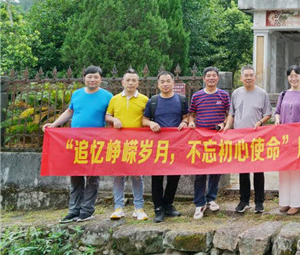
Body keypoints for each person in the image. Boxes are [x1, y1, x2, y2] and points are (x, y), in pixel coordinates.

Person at [42, 66, 113, 223]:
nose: (92, 80)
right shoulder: (77, 94)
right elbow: (69, 112)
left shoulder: (107, 96)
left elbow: (111, 116)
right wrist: (54, 125)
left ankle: (87, 210)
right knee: (75, 174)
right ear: (84, 78)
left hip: (96, 142)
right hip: (76, 142)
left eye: (95, 77)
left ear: (100, 79)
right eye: (89, 77)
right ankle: (74, 210)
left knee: (92, 177)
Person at [142, 70, 190, 223]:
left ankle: (168, 205)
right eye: (162, 81)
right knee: (157, 177)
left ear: (173, 83)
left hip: (176, 145)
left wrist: (185, 122)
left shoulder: (181, 100)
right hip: (158, 146)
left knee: (174, 176)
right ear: (158, 84)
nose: (165, 84)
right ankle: (158, 208)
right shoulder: (153, 101)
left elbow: (186, 117)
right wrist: (151, 123)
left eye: (168, 81)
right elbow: (144, 120)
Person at [225, 65, 272, 214]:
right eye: (246, 75)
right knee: (243, 170)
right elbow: (232, 114)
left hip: (257, 137)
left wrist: (260, 122)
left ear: (255, 77)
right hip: (240, 137)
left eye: (251, 75)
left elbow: (268, 114)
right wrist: (227, 127)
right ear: (241, 78)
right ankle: (244, 201)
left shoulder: (262, 93)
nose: (249, 78)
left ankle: (259, 202)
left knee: (258, 170)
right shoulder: (236, 93)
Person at [104, 68, 149, 221]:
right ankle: (118, 207)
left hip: (137, 143)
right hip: (117, 143)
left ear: (138, 83)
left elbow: (147, 118)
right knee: (118, 175)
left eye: (133, 80)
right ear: (122, 82)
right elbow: (107, 115)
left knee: (137, 175)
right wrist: (114, 119)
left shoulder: (144, 99)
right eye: (127, 80)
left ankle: (138, 207)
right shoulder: (115, 99)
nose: (130, 83)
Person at [188, 66, 231, 219]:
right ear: (204, 79)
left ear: (218, 78)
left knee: (216, 170)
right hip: (200, 139)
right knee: (200, 172)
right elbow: (191, 114)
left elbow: (229, 114)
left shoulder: (224, 95)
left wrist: (224, 124)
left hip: (217, 138)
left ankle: (211, 198)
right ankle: (199, 203)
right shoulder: (197, 96)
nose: (211, 78)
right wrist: (191, 122)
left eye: (214, 76)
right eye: (208, 76)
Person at [273, 65, 300, 215]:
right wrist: (277, 119)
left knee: (298, 170)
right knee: (285, 170)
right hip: (284, 139)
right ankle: (285, 201)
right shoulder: (283, 94)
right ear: (288, 78)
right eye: (291, 76)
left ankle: (297, 203)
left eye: (296, 76)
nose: (293, 78)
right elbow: (277, 111)